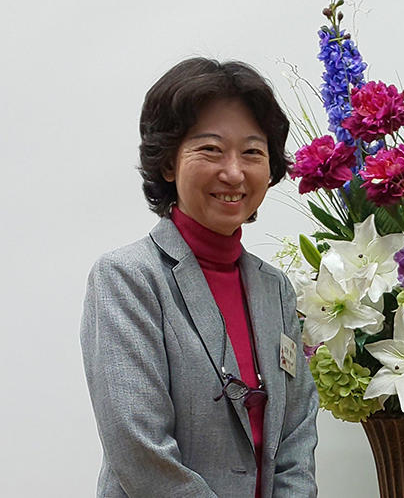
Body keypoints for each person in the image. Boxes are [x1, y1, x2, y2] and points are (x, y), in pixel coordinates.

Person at [81, 58, 318, 497]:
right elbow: (140, 450)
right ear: (168, 164)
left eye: (252, 152)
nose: (234, 172)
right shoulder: (127, 279)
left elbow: (297, 437)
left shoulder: (275, 290)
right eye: (210, 149)